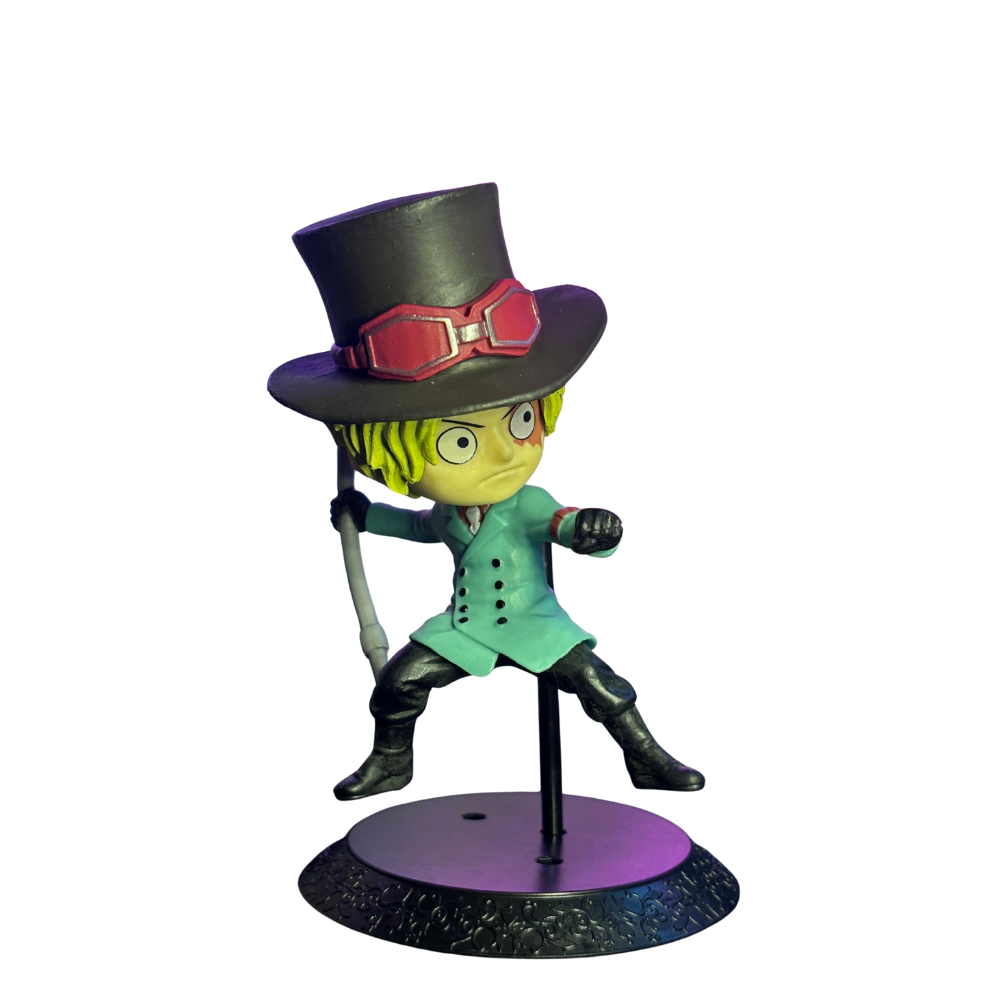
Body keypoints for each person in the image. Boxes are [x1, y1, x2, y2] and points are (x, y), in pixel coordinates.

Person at [267, 182, 704, 802]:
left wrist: (592, 531)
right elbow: (421, 527)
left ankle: (647, 758)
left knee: (603, 688)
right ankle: (391, 762)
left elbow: (564, 524)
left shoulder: (526, 503)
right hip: (466, 626)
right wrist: (366, 515)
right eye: (460, 442)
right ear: (385, 453)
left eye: (521, 419)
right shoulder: (449, 514)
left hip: (535, 623)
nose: (504, 453)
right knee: (397, 685)